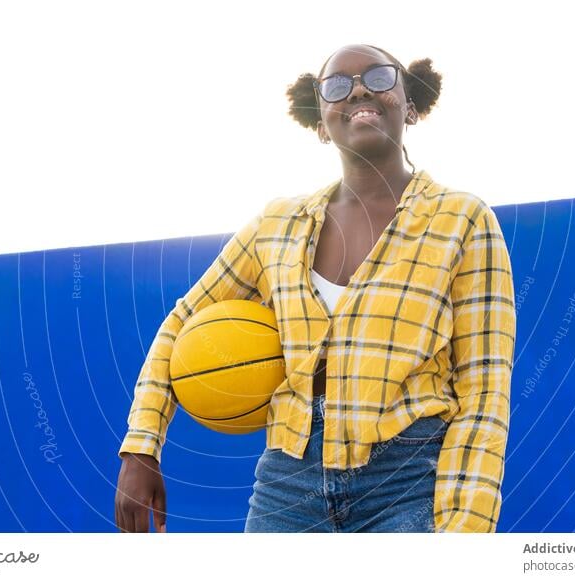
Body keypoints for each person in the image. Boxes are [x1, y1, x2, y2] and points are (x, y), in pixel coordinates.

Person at [115, 43, 516, 533]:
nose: (360, 90)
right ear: (322, 122)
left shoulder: (463, 220)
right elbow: (181, 323)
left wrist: (466, 531)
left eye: (379, 77)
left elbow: (484, 393)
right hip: (288, 480)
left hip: (409, 477)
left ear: (410, 105)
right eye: (337, 86)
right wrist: (141, 447)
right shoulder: (276, 225)